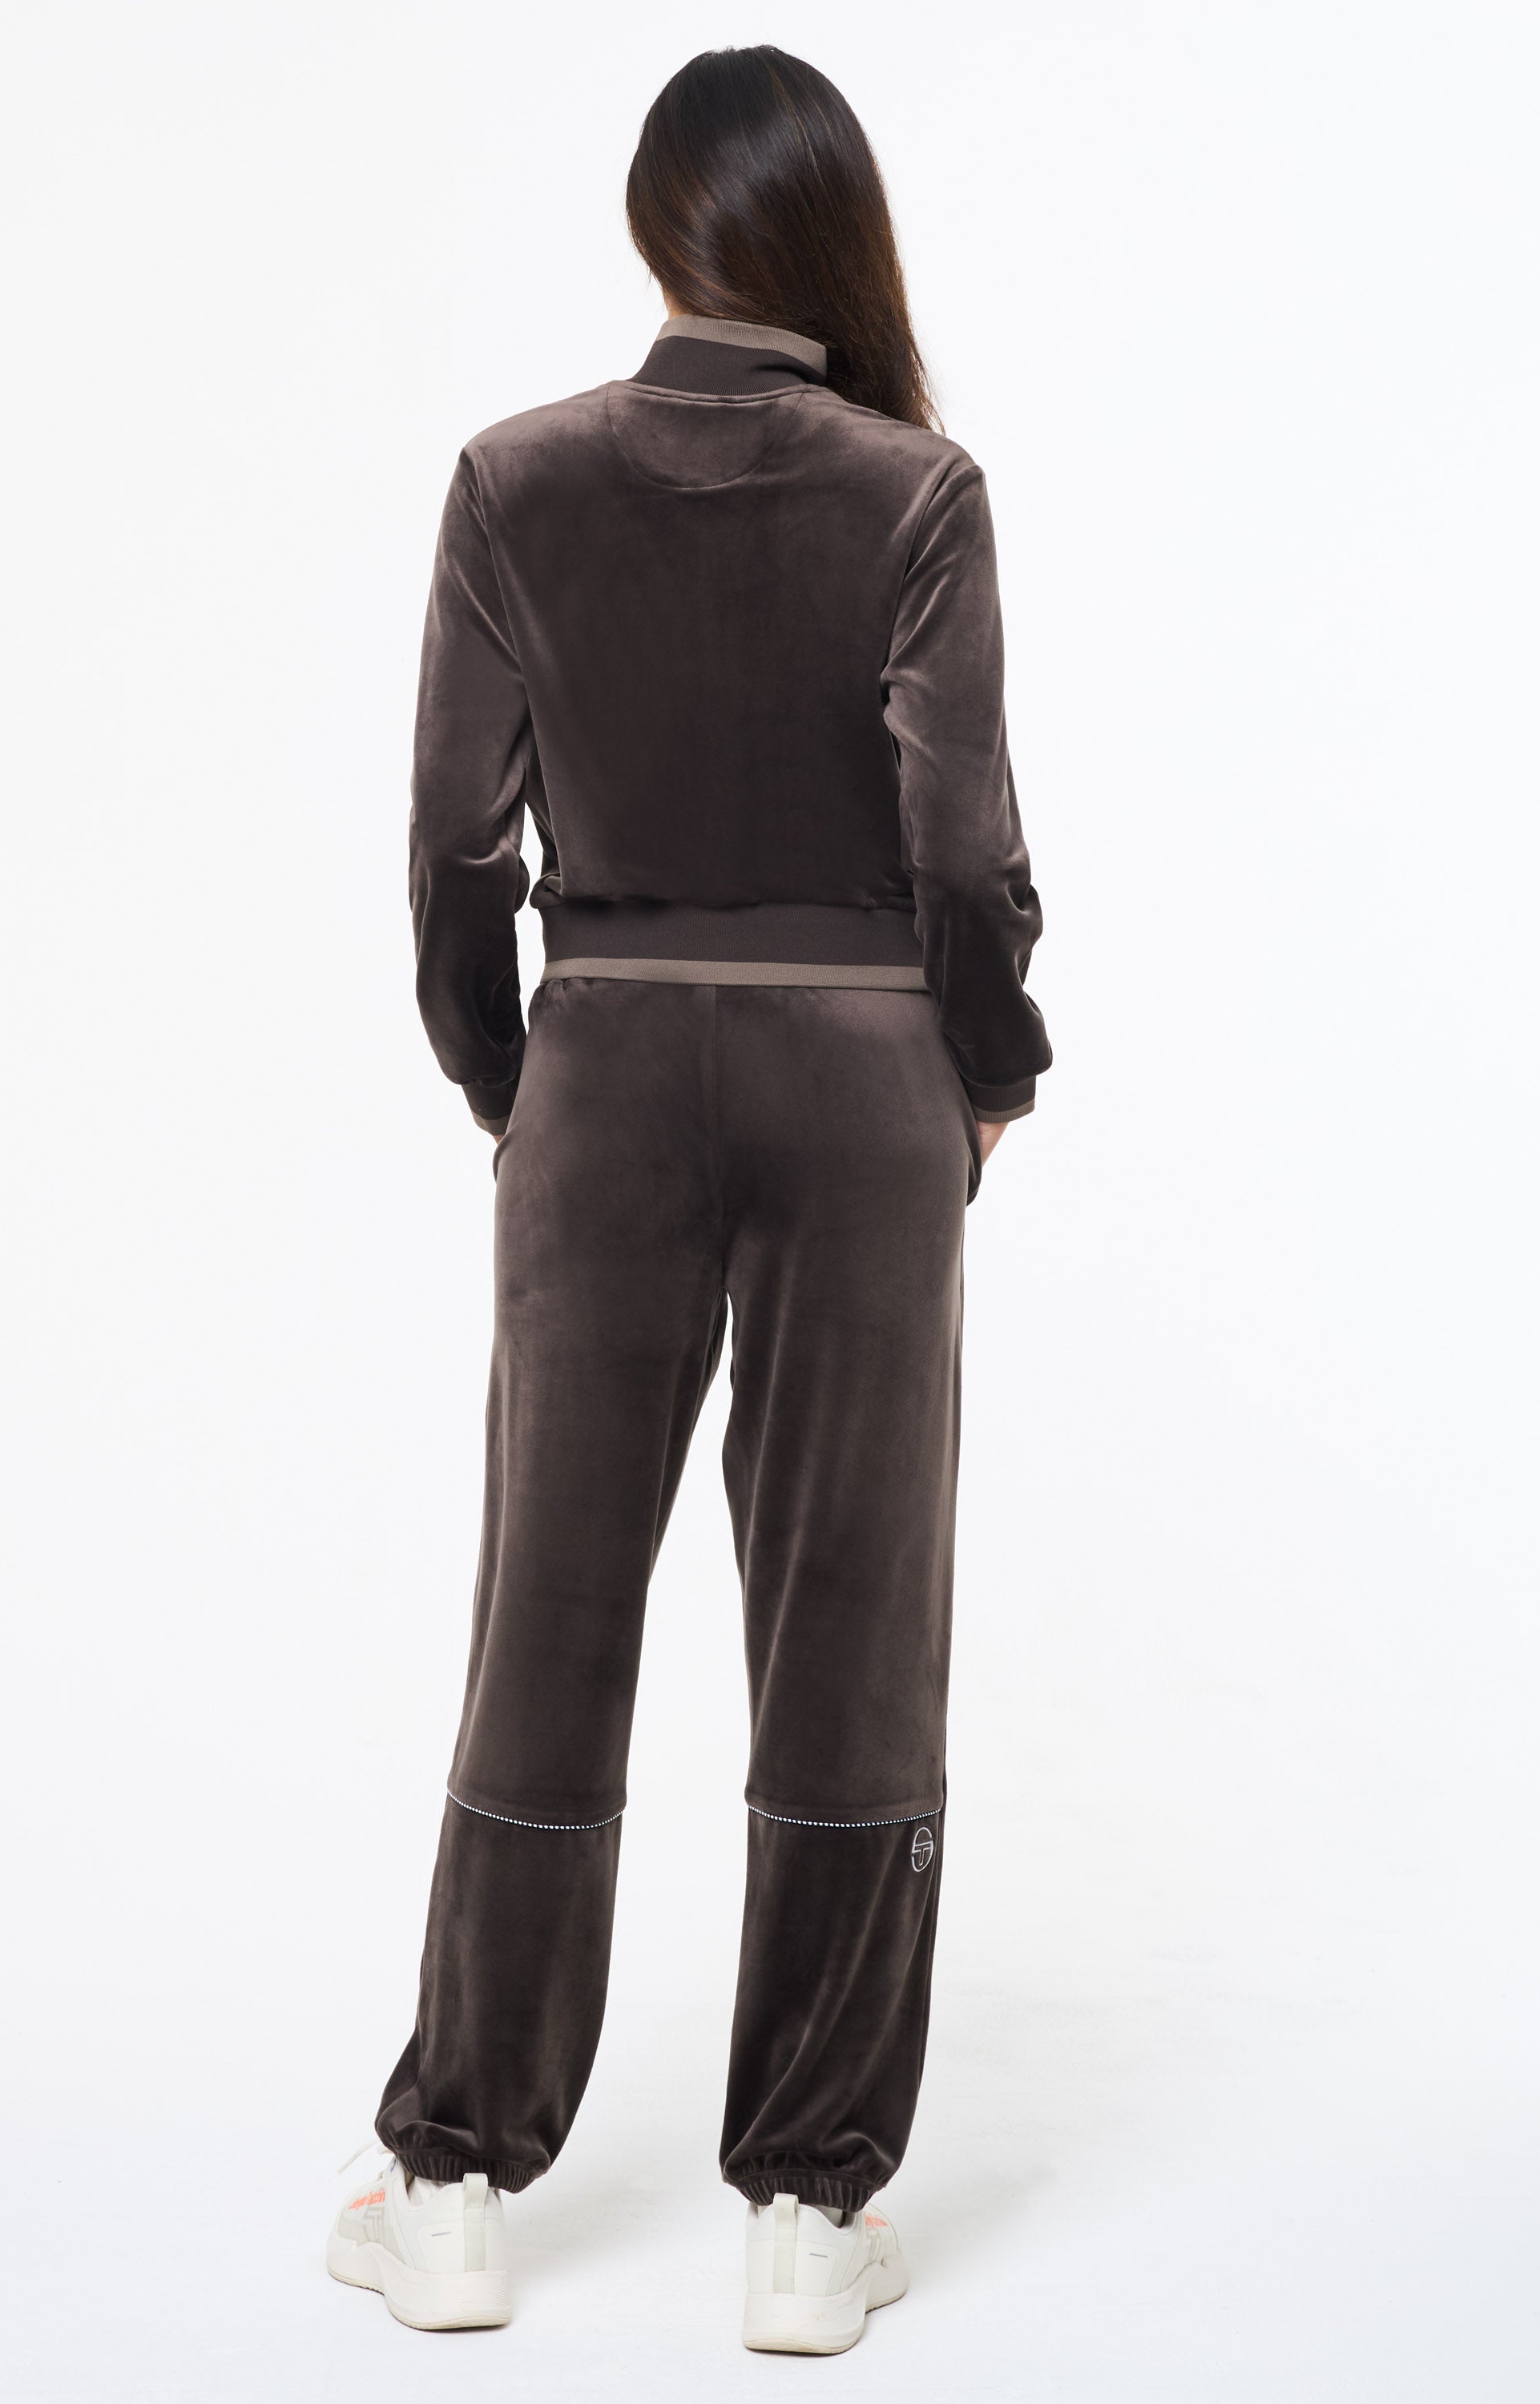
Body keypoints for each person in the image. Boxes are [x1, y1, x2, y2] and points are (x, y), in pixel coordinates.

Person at [327, 43, 1050, 2357]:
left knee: (549, 1608)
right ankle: (810, 2212)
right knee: (851, 1621)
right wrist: (990, 1071)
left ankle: (455, 2176)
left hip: (608, 1073)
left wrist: (508, 1078)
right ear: (831, 232)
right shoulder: (918, 491)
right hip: (862, 1087)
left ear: (658, 228)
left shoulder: (513, 482)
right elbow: (963, 851)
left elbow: (452, 852)